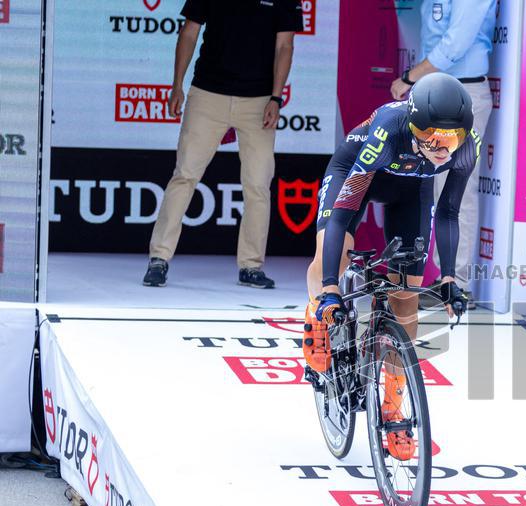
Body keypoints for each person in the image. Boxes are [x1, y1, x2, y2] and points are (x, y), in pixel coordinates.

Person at [307, 74, 477, 458]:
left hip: (410, 191)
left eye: (451, 139)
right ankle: (316, 316)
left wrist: (448, 277)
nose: (441, 147)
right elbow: (343, 212)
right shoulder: (388, 128)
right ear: (413, 125)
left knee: (406, 300)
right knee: (331, 254)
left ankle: (395, 406)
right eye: (430, 136)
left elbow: (448, 213)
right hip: (357, 172)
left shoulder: (469, 145)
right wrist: (331, 285)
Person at [142, 0, 302, 289]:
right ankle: (159, 258)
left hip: (259, 100)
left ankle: (251, 265)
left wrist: (276, 98)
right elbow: (189, 31)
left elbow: (285, 46)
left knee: (258, 184)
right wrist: (177, 85)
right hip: (207, 92)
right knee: (185, 174)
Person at [390, 0, 495, 306]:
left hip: (463, 92)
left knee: (457, 191)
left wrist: (410, 76)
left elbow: (455, 43)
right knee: (439, 191)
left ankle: (457, 283)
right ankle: (445, 279)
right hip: (439, 90)